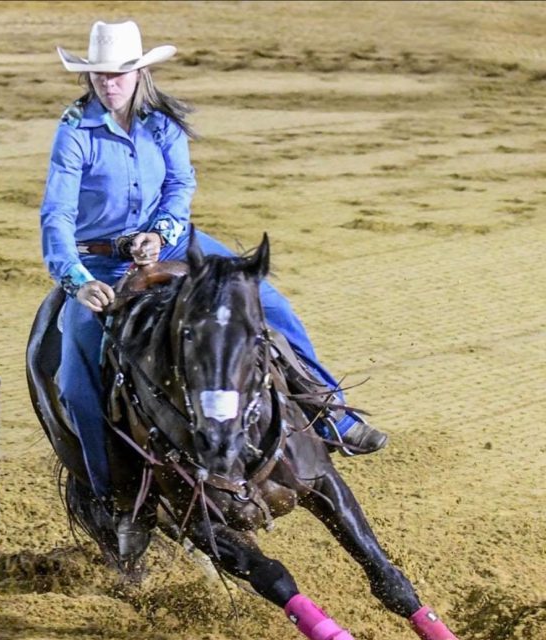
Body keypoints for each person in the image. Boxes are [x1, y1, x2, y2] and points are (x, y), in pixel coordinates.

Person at [40, 20, 387, 503]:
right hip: (101, 266)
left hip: (177, 245)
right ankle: (112, 496)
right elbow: (57, 213)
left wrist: (159, 233)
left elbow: (180, 188)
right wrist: (75, 280)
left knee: (273, 305)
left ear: (140, 74)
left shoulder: (162, 123)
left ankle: (335, 416)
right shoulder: (75, 131)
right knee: (76, 376)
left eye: (118, 74)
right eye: (99, 74)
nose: (108, 82)